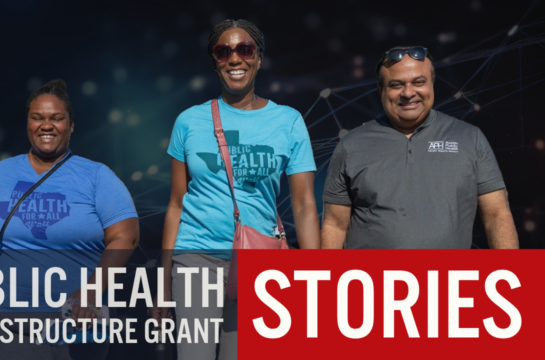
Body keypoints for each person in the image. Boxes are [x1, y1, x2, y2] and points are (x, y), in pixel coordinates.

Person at [149, 19, 320, 359]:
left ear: (258, 57)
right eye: (223, 51)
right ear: (214, 61)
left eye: (245, 49)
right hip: (196, 256)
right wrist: (163, 286)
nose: (234, 59)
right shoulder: (189, 121)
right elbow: (175, 206)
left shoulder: (288, 121)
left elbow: (303, 205)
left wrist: (314, 279)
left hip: (259, 263)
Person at [0, 79, 139, 359]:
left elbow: (125, 236)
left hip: (75, 325)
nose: (46, 125)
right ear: (28, 123)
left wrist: (90, 292)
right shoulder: (0, 174)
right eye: (37, 117)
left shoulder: (97, 176)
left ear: (71, 125)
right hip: (3, 326)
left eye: (56, 118)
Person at [321, 46, 519, 249]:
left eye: (418, 82)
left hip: (446, 279)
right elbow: (334, 225)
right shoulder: (351, 145)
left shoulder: (470, 138)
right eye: (396, 85)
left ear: (432, 83)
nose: (408, 93)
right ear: (381, 89)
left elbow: (497, 216)